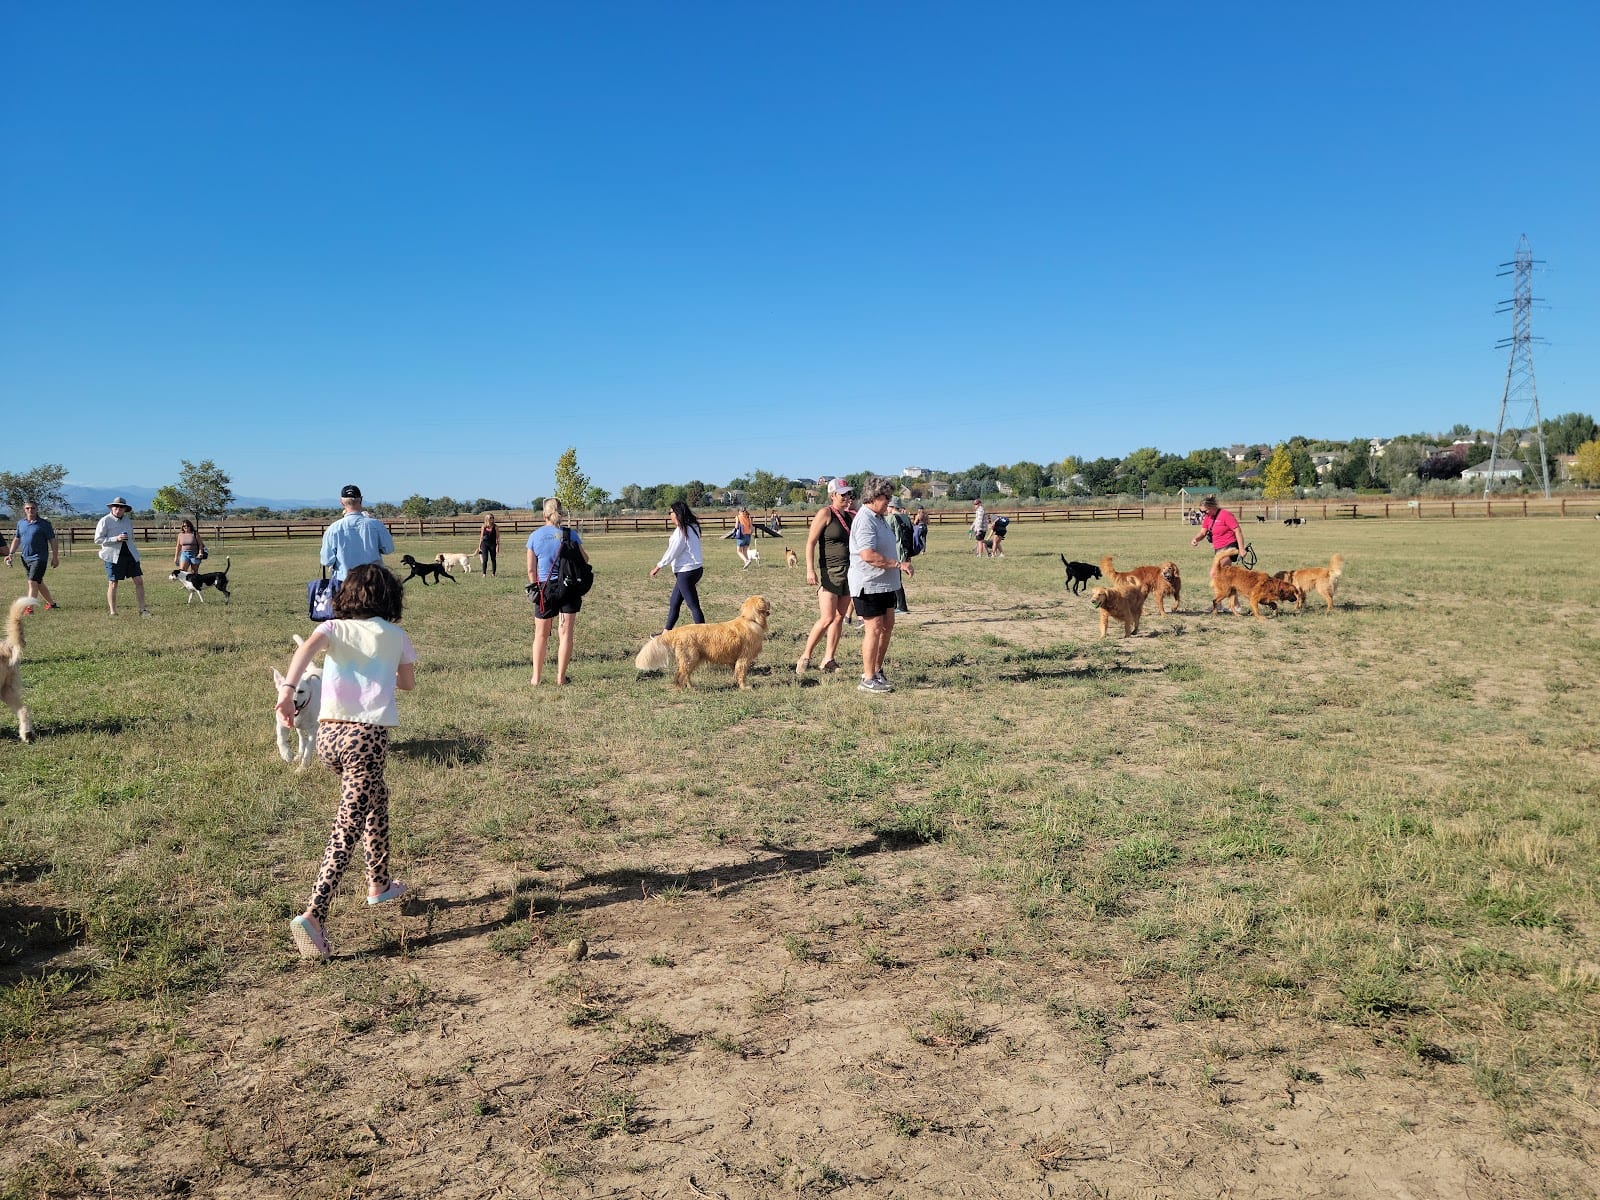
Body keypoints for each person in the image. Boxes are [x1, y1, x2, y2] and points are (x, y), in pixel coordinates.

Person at [273, 563, 416, 960]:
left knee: (376, 798)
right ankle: (314, 914)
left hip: (329, 737)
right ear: (391, 599)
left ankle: (379, 882)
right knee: (346, 827)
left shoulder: (333, 627)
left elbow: (305, 650)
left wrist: (287, 691)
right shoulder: (396, 635)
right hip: (365, 739)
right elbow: (406, 683)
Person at [849, 477, 912, 693]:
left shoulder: (879, 517)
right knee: (874, 629)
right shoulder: (865, 519)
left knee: (887, 627)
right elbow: (867, 555)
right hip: (869, 584)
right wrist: (897, 564)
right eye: (886, 499)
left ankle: (876, 670)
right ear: (874, 497)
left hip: (885, 584)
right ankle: (867, 678)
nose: (889, 503)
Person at [527, 497, 589, 686]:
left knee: (541, 635)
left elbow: (531, 569)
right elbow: (585, 559)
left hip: (545, 588)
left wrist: (536, 587)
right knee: (566, 635)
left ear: (544, 514)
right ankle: (561, 678)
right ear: (560, 513)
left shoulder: (535, 536)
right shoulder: (570, 535)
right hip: (568, 587)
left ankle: (536, 678)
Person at [797, 479, 854, 676]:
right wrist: (809, 570)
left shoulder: (851, 516)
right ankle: (805, 656)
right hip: (830, 571)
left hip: (850, 572)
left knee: (839, 618)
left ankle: (829, 659)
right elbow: (810, 542)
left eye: (848, 494)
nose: (847, 497)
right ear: (832, 496)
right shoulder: (825, 513)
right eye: (843, 494)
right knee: (827, 617)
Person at [320, 484, 395, 583]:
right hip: (373, 580)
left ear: (342, 502)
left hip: (345, 582)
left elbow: (326, 560)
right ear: (361, 499)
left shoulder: (333, 529)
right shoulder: (376, 525)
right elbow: (389, 549)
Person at [649, 500, 704, 632]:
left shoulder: (682, 531)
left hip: (687, 572)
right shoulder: (692, 527)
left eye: (671, 512)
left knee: (693, 605)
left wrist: (658, 566)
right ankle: (665, 633)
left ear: (677, 513)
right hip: (695, 570)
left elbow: (673, 551)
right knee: (674, 602)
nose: (670, 515)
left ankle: (704, 635)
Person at [94, 497, 149, 617]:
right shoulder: (105, 520)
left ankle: (143, 610)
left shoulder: (127, 521)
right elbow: (98, 539)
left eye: (121, 507)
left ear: (125, 509)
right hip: (112, 556)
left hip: (130, 554)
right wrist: (116, 539)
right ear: (111, 508)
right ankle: (113, 612)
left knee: (139, 581)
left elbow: (131, 537)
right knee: (113, 583)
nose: (118, 509)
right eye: (116, 507)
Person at [1190, 495, 1244, 613]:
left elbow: (1237, 530)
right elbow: (1203, 532)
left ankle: (1227, 605)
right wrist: (1196, 539)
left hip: (1230, 548)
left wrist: (1241, 549)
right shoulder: (1208, 517)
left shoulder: (1225, 515)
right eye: (1201, 511)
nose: (1203, 513)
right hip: (1218, 550)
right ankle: (1232, 605)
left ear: (1212, 506)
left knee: (1216, 573)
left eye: (1204, 510)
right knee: (1223, 577)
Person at [5, 501, 59, 609]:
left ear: (37, 509)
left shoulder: (44, 524)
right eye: (28, 508)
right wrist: (10, 553)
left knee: (32, 582)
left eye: (33, 508)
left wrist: (55, 557)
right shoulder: (21, 523)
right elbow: (17, 539)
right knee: (38, 582)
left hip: (39, 558)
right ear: (24, 510)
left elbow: (53, 541)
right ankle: (52, 604)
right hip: (25, 558)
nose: (30, 510)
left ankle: (29, 608)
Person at [887, 497, 914, 614]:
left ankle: (901, 606)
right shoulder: (906, 518)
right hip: (905, 551)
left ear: (892, 506)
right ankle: (895, 605)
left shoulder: (891, 518)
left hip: (895, 551)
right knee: (896, 579)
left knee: (895, 580)